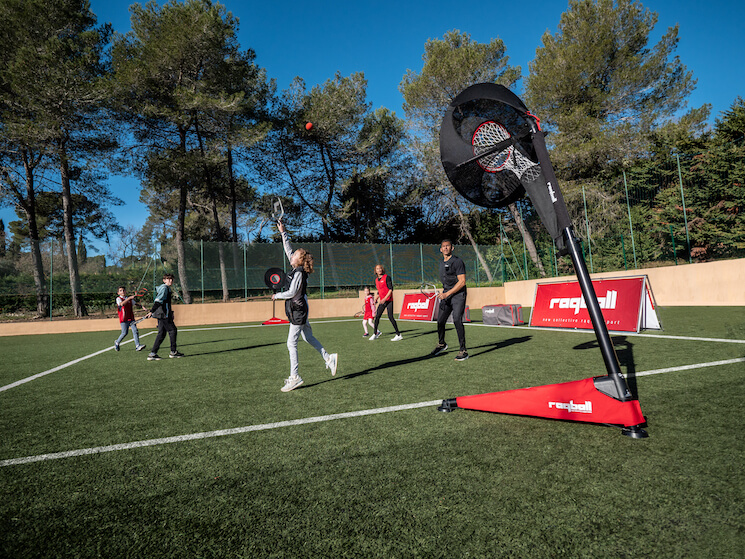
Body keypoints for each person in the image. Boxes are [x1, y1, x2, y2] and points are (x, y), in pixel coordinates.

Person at [273, 220, 338, 392]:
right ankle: (329, 358)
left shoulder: (299, 273)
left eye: (295, 254)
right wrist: (283, 232)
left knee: (291, 344)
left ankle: (295, 377)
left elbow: (292, 292)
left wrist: (277, 295)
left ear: (299, 260)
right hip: (300, 308)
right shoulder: (296, 269)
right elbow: (288, 249)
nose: (291, 254)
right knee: (307, 337)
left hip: (299, 310)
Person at [431, 239, 468, 361]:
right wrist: (444, 293)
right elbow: (447, 281)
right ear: (440, 249)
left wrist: (447, 294)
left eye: (448, 246)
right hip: (447, 294)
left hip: (458, 295)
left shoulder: (457, 262)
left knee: (457, 319)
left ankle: (463, 350)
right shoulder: (441, 263)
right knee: (440, 321)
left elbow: (462, 282)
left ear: (452, 248)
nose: (445, 248)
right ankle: (442, 344)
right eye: (443, 246)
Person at [145, 273, 183, 361]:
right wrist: (151, 311)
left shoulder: (166, 288)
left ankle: (152, 354)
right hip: (164, 315)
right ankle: (173, 352)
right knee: (172, 330)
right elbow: (158, 301)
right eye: (168, 279)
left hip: (164, 314)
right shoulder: (164, 288)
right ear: (164, 280)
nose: (170, 281)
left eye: (171, 279)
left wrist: (170, 312)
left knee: (161, 333)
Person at [370, 264, 403, 341]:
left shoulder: (387, 277)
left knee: (390, 317)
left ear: (382, 269)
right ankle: (375, 333)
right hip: (382, 301)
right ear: (375, 271)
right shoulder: (376, 280)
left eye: (380, 268)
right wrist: (376, 298)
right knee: (377, 316)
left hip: (389, 300)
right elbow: (379, 291)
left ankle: (398, 335)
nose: (379, 270)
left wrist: (385, 298)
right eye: (377, 269)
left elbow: (391, 289)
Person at [114, 286, 147, 352]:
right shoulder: (118, 299)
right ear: (118, 293)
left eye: (123, 290)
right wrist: (129, 298)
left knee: (135, 331)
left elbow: (135, 304)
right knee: (124, 333)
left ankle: (137, 346)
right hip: (123, 318)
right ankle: (117, 342)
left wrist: (142, 307)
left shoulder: (128, 299)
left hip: (131, 318)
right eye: (120, 290)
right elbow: (121, 304)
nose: (122, 291)